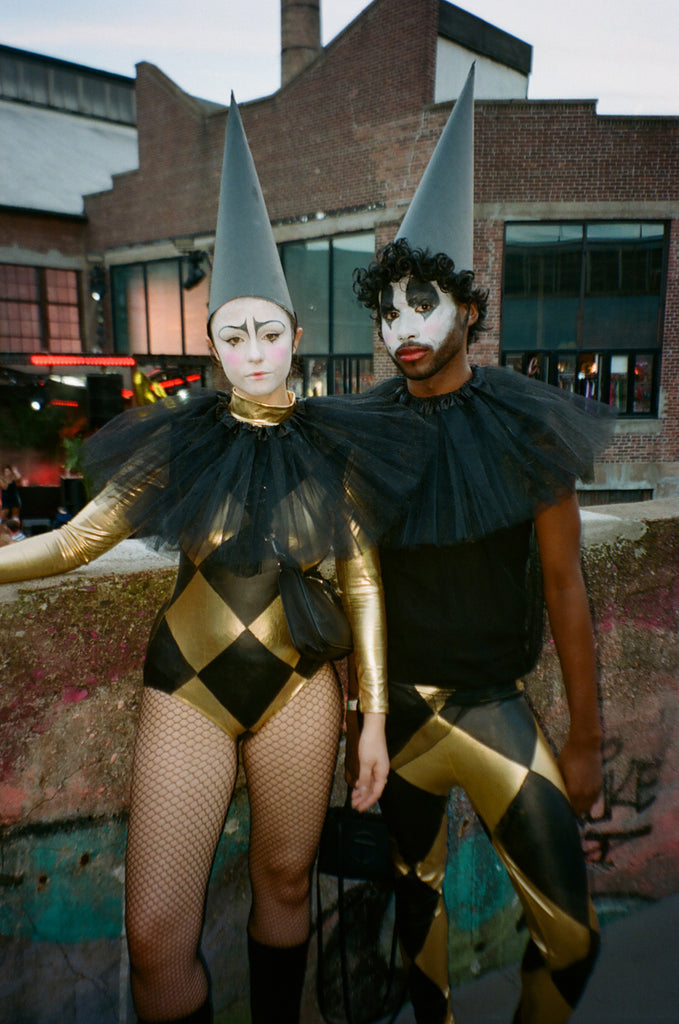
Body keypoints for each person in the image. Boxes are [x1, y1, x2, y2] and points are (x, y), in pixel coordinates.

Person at [0, 98, 426, 1024]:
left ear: (295, 335)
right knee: (156, 937)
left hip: (300, 690)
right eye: (233, 335)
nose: (254, 351)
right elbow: (78, 540)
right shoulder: (176, 442)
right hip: (186, 688)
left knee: (283, 883)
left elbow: (360, 577)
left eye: (268, 331)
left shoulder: (336, 446)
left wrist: (374, 720)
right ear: (212, 347)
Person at [351, 66, 615, 1024]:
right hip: (398, 729)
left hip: (496, 713)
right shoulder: (363, 427)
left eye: (422, 303)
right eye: (386, 310)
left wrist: (583, 738)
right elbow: (347, 578)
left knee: (572, 938)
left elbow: (562, 584)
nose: (400, 329)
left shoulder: (524, 425)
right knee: (415, 938)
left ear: (466, 303)